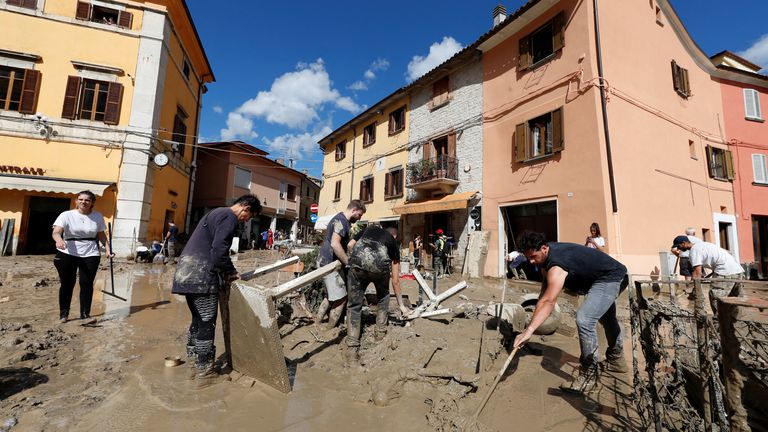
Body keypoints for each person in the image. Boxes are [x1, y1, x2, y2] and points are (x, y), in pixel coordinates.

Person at [513, 231, 629, 395]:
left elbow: (549, 301)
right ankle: (617, 360)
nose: (531, 261)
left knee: (584, 319)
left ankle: (589, 375)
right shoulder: (545, 257)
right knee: (606, 317)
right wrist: (536, 315)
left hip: (611, 277)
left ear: (544, 248)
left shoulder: (557, 264)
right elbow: (545, 292)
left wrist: (529, 331)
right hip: (601, 277)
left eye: (533, 256)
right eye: (528, 258)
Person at [171, 194, 261, 386]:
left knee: (197, 320)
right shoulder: (229, 217)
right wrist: (231, 272)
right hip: (202, 275)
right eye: (249, 216)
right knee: (206, 322)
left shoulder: (215, 213)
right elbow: (219, 250)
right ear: (245, 208)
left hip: (186, 272)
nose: (246, 220)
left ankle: (193, 366)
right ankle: (206, 372)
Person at [345, 225, 411, 363]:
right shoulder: (392, 242)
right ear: (394, 236)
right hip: (379, 266)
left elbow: (350, 245)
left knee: (354, 306)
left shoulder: (368, 229)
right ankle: (380, 333)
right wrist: (402, 307)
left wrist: (355, 262)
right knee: (383, 297)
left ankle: (351, 349)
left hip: (357, 263)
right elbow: (396, 280)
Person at [51, 190, 113, 322]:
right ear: (76, 201)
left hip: (91, 252)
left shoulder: (97, 216)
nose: (83, 202)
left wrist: (108, 249)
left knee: (87, 284)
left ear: (92, 203)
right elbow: (56, 232)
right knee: (67, 283)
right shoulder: (66, 215)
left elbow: (101, 235)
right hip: (68, 252)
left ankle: (85, 314)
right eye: (81, 199)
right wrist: (59, 240)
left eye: (87, 200)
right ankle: (64, 314)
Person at [314, 200, 366, 329]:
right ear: (353, 210)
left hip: (324, 261)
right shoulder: (342, 221)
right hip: (329, 263)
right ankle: (329, 328)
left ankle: (317, 322)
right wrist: (348, 263)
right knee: (341, 298)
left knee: (330, 296)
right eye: (359, 215)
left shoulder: (339, 219)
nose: (359, 218)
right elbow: (335, 244)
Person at [670, 235, 744, 312]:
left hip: (725, 271)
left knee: (716, 298)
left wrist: (693, 287)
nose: (678, 249)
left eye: (678, 246)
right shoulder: (703, 244)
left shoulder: (694, 251)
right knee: (734, 299)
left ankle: (719, 320)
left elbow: (697, 273)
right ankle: (733, 320)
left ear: (683, 243)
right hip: (738, 270)